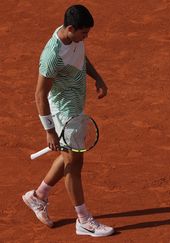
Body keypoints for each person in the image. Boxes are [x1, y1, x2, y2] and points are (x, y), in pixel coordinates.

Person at [22, 4, 114, 237]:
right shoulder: (52, 56)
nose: (86, 37)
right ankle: (83, 220)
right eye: (83, 33)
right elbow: (39, 94)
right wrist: (50, 130)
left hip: (75, 107)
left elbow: (82, 56)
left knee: (68, 159)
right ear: (71, 28)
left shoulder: (72, 38)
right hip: (63, 113)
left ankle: (38, 196)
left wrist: (98, 78)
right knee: (74, 164)